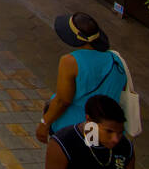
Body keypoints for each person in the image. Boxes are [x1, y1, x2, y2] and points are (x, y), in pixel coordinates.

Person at [36, 13, 128, 144]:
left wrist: (44, 123)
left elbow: (63, 101)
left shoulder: (70, 61)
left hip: (76, 131)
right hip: (109, 133)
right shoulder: (116, 60)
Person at [46, 95, 136, 169]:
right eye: (109, 131)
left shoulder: (125, 146)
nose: (115, 139)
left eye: (120, 132)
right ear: (89, 121)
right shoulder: (63, 144)